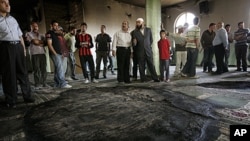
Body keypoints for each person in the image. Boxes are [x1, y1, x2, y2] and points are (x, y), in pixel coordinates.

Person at [0, 0, 35, 108]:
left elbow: (20, 35)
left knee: (23, 72)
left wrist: (23, 48)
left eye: (8, 3)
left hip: (18, 47)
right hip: (5, 47)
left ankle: (27, 96)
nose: (7, 5)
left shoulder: (13, 19)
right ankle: (11, 99)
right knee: (9, 74)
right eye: (3, 2)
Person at [131, 18, 160, 82]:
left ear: (142, 23)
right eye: (136, 22)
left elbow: (151, 40)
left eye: (138, 22)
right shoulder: (135, 32)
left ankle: (155, 78)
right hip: (140, 51)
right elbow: (134, 43)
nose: (137, 24)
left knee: (151, 64)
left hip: (148, 50)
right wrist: (134, 42)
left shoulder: (148, 30)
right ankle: (143, 79)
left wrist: (147, 46)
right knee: (141, 66)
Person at [46, 20, 72, 88]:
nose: (56, 27)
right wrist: (55, 54)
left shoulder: (55, 34)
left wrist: (62, 53)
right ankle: (63, 84)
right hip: (55, 54)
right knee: (60, 68)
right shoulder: (49, 33)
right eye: (55, 25)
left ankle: (57, 83)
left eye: (57, 25)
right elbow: (49, 44)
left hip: (59, 53)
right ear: (51, 26)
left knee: (58, 68)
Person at [26, 21, 48, 88]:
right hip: (34, 54)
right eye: (33, 26)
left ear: (38, 27)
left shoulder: (41, 35)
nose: (35, 27)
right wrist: (41, 42)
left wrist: (39, 42)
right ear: (31, 27)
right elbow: (34, 42)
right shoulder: (28, 34)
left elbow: (46, 43)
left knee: (44, 69)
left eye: (36, 26)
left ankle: (44, 83)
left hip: (42, 53)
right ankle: (37, 84)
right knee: (36, 69)